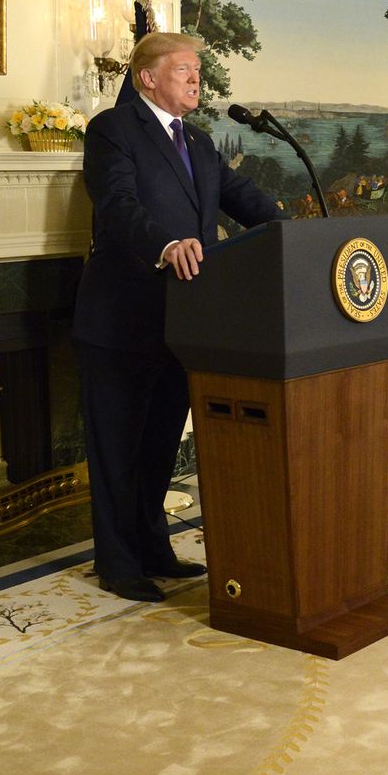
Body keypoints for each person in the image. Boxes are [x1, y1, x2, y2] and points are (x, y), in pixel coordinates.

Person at [73, 32, 281, 602]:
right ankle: (117, 564)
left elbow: (241, 198)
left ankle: (154, 548)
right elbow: (117, 206)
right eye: (185, 69)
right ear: (147, 78)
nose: (197, 80)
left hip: (183, 321)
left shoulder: (198, 140)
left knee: (161, 441)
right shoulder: (112, 130)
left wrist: (297, 228)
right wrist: (165, 243)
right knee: (118, 446)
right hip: (121, 318)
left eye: (198, 71)